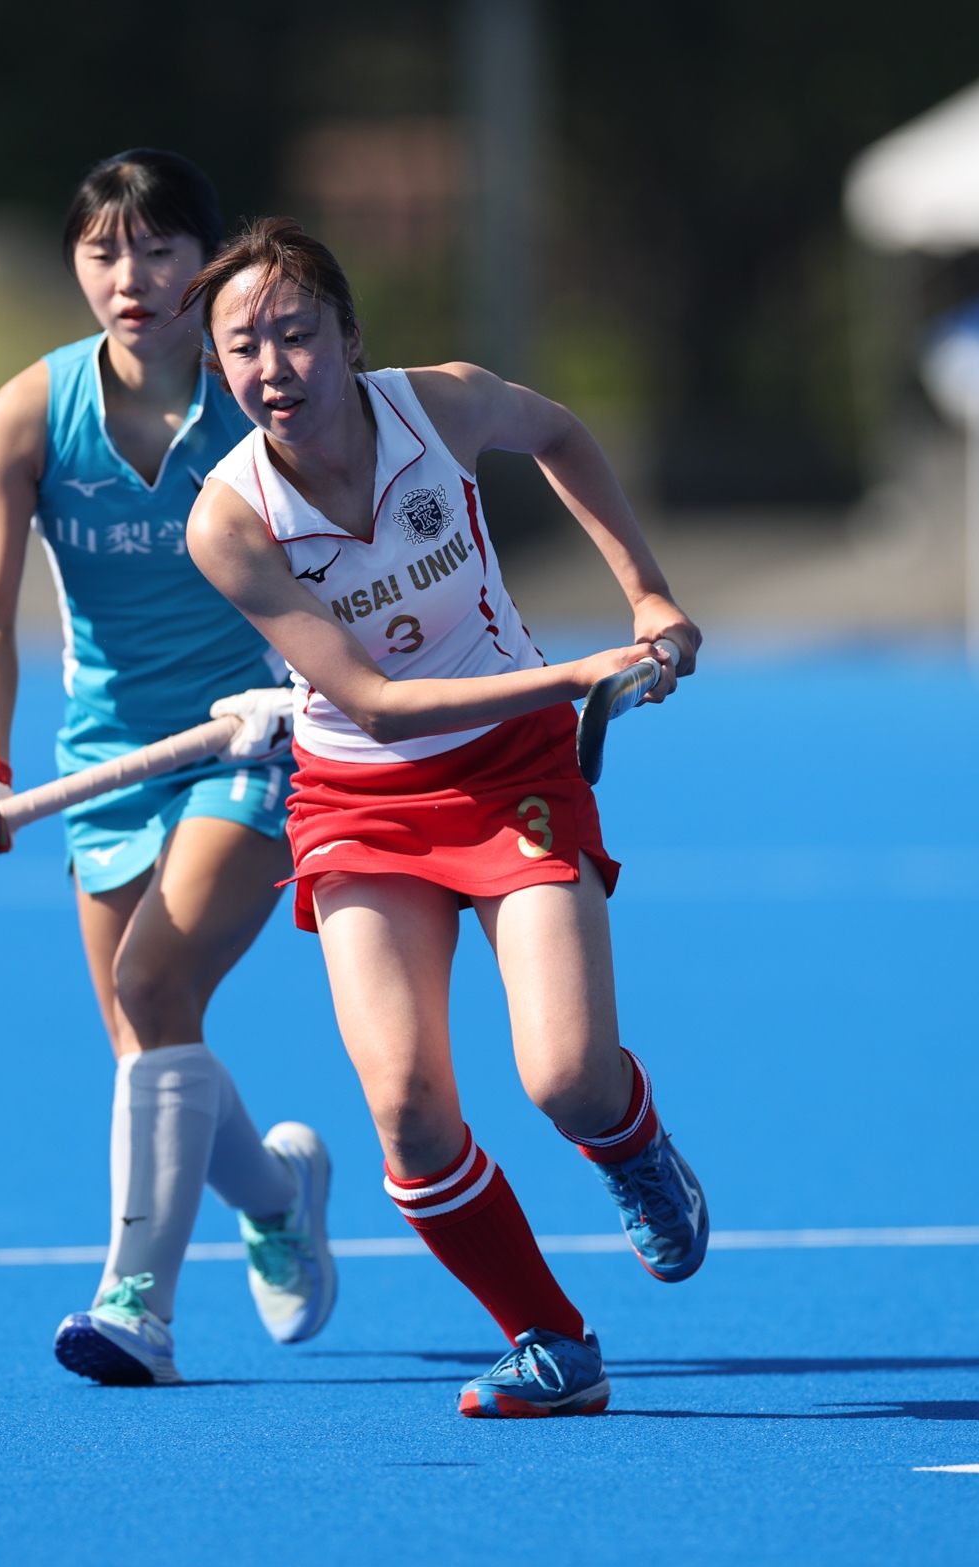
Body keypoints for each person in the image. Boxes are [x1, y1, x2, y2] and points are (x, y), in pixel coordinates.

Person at [183, 219, 708, 1419]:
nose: (273, 368)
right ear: (217, 369)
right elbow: (373, 702)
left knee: (568, 1078)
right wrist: (574, 674)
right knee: (409, 1113)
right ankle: (551, 1341)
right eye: (243, 349)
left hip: (513, 769)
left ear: (350, 337)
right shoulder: (230, 520)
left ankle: (632, 1146)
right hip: (358, 796)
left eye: (295, 335)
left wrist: (646, 591)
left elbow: (561, 434)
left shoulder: (445, 407)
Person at [0, 154, 333, 1387]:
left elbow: (351, 554)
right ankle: (280, 1198)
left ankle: (138, 1311)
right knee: (149, 1036)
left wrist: (306, 689)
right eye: (104, 252)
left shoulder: (263, 396)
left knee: (152, 983)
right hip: (107, 757)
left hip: (256, 739)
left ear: (206, 262)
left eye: (162, 251)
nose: (133, 279)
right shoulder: (28, 416)